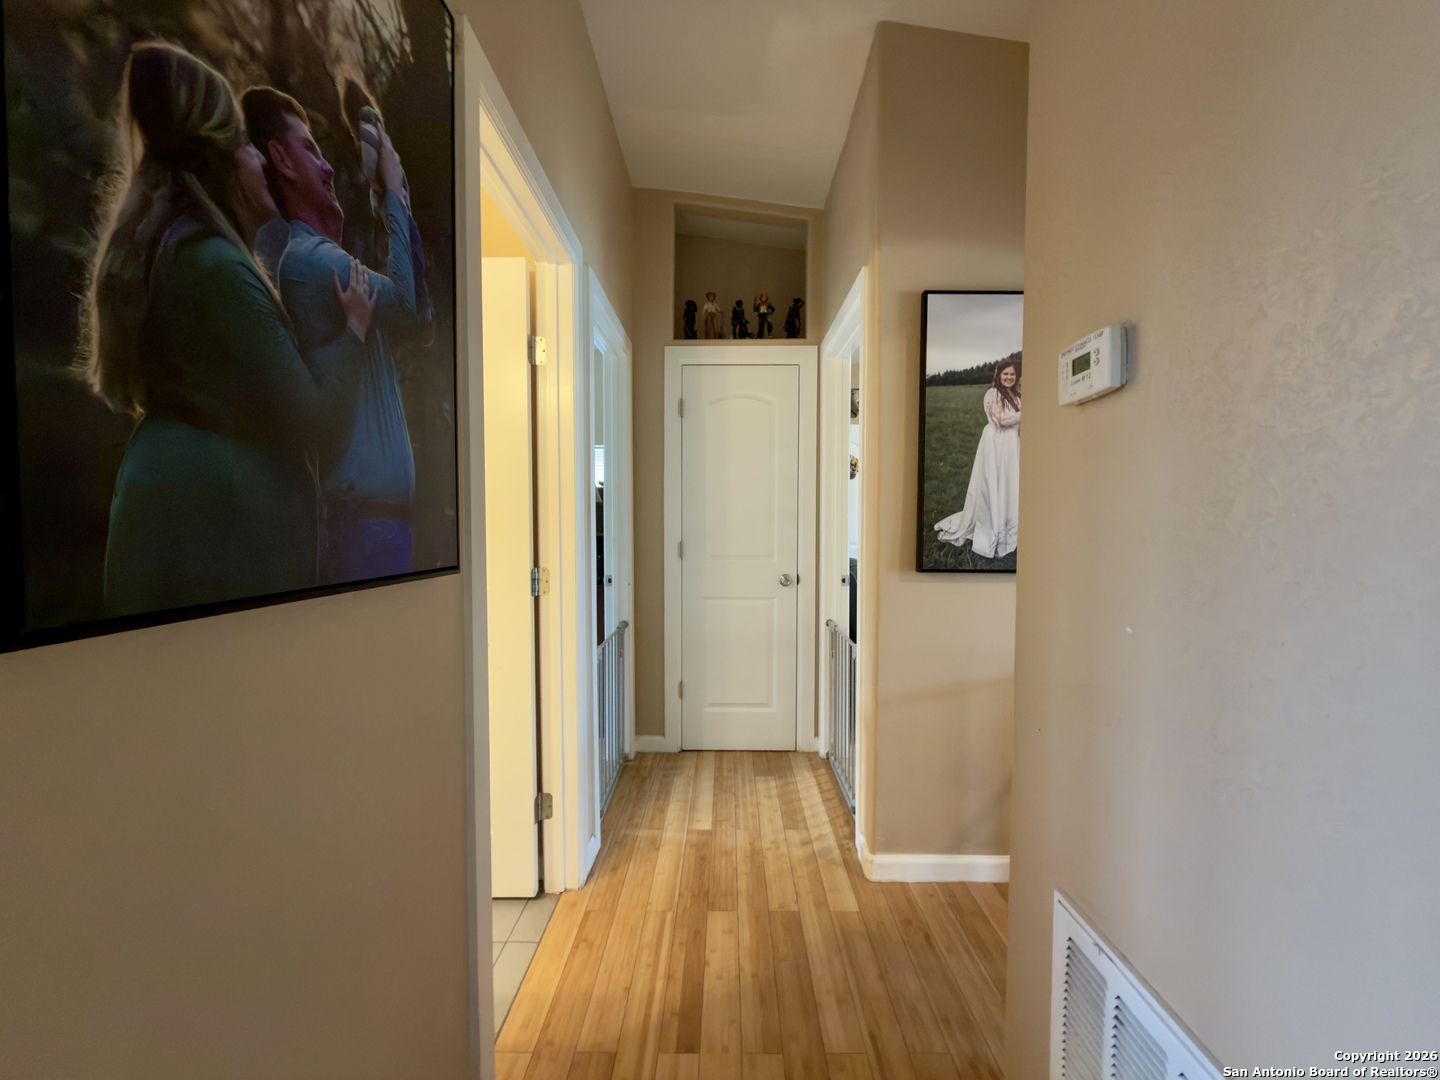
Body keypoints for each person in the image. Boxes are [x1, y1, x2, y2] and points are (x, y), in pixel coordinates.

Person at [81, 43, 378, 616]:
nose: (261, 160)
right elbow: (317, 426)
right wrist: (355, 331)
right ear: (217, 161)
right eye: (246, 144)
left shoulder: (176, 256)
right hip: (221, 545)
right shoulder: (214, 267)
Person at [241, 85, 429, 584]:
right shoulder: (307, 261)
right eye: (311, 149)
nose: (327, 168)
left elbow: (421, 319)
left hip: (377, 526)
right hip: (363, 527)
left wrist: (393, 199)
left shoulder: (337, 270)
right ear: (281, 158)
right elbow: (407, 304)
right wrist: (392, 193)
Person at [934, 357, 1020, 559]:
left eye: (1012, 374)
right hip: (996, 444)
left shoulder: (1017, 396)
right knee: (995, 483)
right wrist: (1026, 413)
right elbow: (1001, 421)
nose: (1009, 377)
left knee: (1011, 484)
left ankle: (1011, 523)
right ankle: (993, 526)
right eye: (1005, 373)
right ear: (999, 375)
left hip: (1012, 445)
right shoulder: (993, 394)